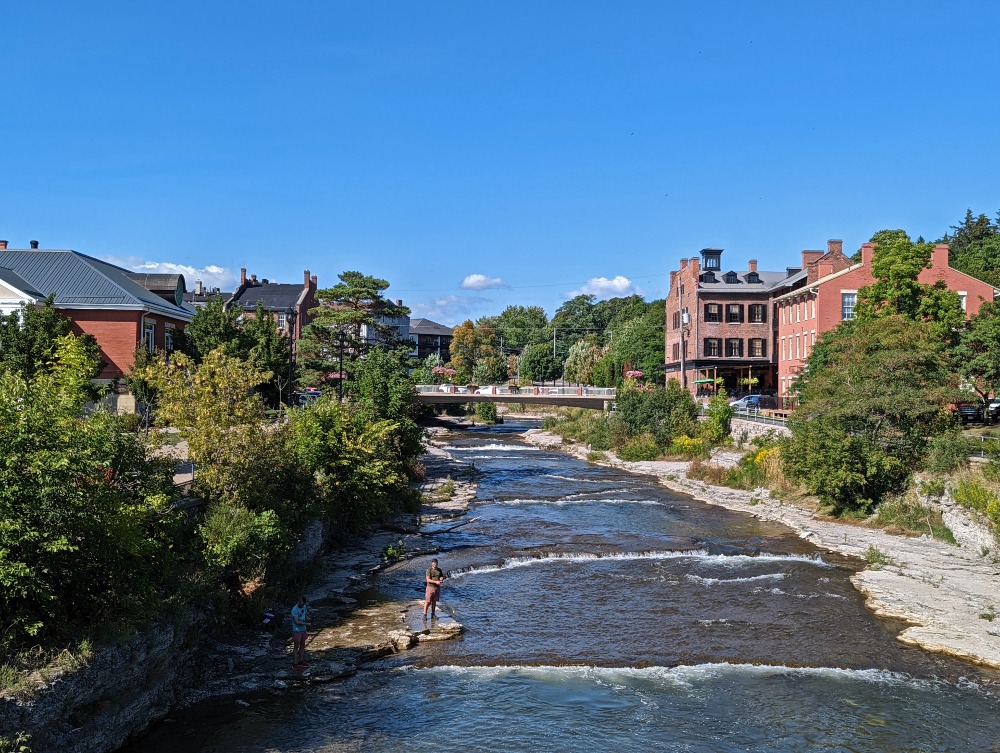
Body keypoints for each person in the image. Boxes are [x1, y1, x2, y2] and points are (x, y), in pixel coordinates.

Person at [291, 596, 310, 670]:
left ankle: (301, 661)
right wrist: (307, 624)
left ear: (304, 603)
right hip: (297, 630)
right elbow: (297, 621)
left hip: (303, 630)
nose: (299, 603)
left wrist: (307, 619)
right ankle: (295, 663)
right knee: (296, 647)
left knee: (302, 645)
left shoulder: (304, 607)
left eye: (301, 602)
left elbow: (305, 614)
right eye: (299, 602)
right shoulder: (294, 609)